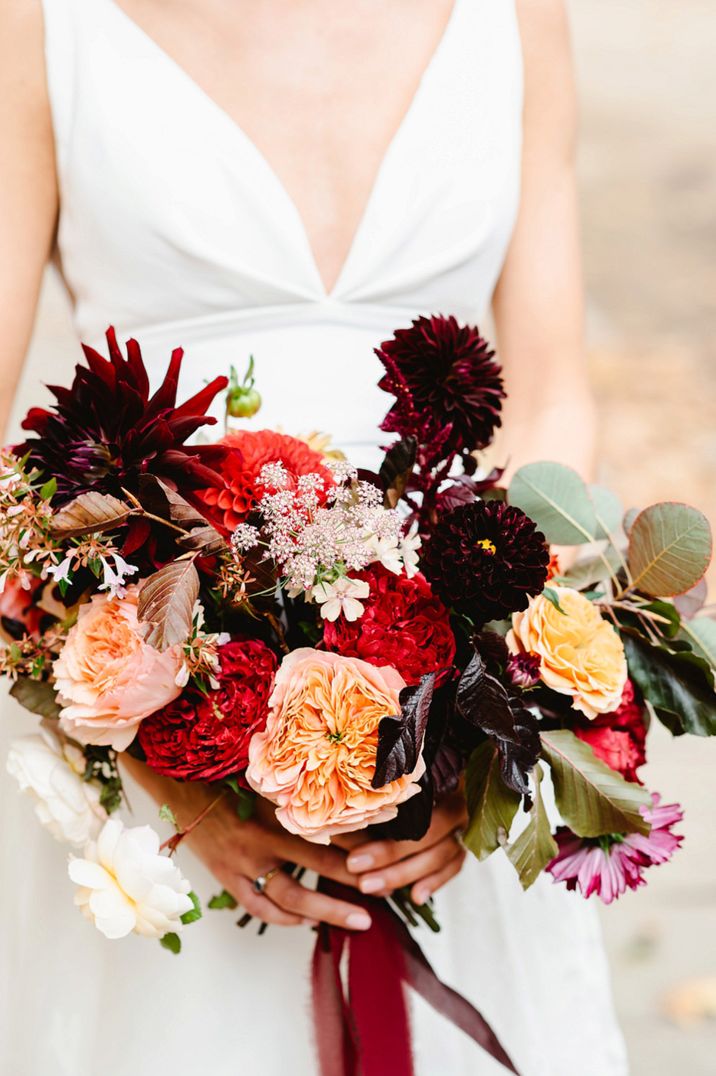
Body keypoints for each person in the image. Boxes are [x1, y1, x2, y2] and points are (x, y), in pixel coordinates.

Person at [0, 1, 628, 1073]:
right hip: (156, 721)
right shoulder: (41, 24)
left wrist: (476, 733)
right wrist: (173, 765)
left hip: (445, 707)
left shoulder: (516, 15)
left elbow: (552, 394)